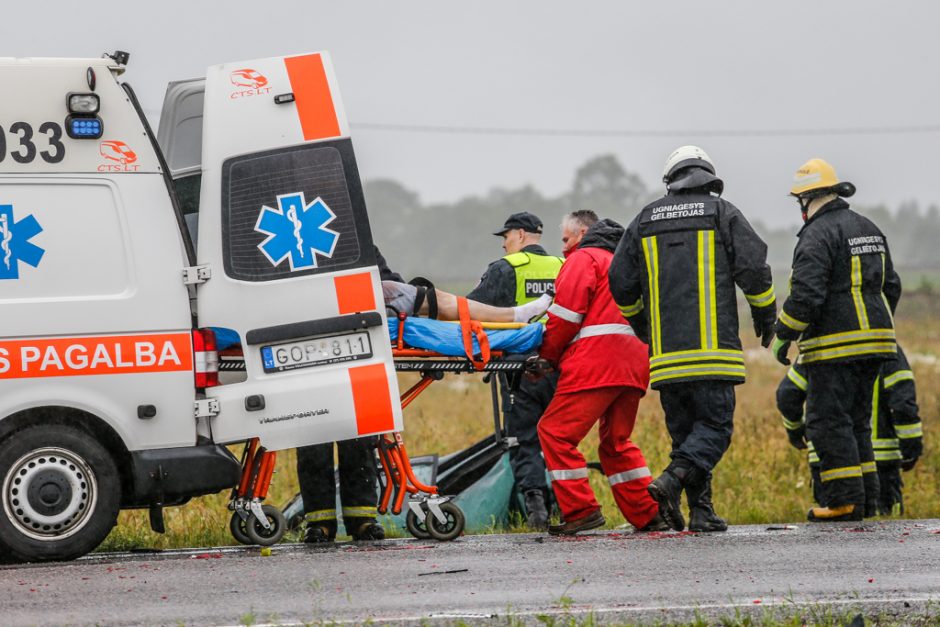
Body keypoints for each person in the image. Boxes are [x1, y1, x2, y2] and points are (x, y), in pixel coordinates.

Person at [609, 145, 776, 532]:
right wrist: (765, 314)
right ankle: (672, 479)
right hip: (714, 354)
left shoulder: (644, 219)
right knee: (715, 428)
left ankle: (702, 512)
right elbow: (754, 268)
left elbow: (620, 282)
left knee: (686, 433)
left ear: (670, 181)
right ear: (708, 177)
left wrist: (642, 327)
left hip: (667, 358)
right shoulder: (722, 212)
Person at [771, 158, 902, 522]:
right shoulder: (869, 227)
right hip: (878, 345)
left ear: (806, 199)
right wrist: (874, 329)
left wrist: (784, 334)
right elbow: (891, 286)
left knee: (828, 422)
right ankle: (867, 499)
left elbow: (807, 294)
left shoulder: (817, 234)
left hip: (834, 348)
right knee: (858, 422)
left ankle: (843, 502)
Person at [532, 212, 667, 535]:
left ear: (582, 233)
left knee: (554, 432)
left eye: (566, 240)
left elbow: (564, 316)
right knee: (616, 442)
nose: (563, 248)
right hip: (634, 365)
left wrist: (546, 358)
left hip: (595, 364)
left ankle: (581, 510)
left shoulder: (585, 259)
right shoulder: (630, 263)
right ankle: (650, 514)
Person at [296, 245, 403, 543]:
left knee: (359, 437)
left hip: (357, 351)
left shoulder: (359, 246)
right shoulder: (296, 249)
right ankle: (319, 523)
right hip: (307, 352)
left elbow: (386, 282)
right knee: (313, 442)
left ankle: (362, 521)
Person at [464, 212, 563, 529]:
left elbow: (470, 310)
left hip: (522, 370)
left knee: (525, 439)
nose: (505, 245)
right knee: (561, 439)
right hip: (562, 369)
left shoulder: (506, 268)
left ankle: (536, 510)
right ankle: (568, 506)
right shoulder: (564, 267)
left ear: (520, 235)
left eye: (506, 237)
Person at [776, 345, 923, 516]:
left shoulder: (820, 346)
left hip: (830, 462)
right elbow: (903, 404)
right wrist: (911, 447)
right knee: (881, 531)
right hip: (881, 462)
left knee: (834, 530)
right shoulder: (887, 349)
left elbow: (788, 395)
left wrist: (796, 430)